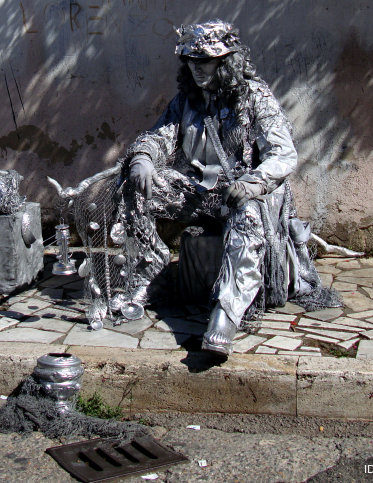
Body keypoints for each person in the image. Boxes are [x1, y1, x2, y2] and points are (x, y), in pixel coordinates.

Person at [118, 20, 339, 356]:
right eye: (191, 62)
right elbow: (160, 135)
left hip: (246, 192)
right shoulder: (186, 100)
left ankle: (226, 314)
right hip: (198, 191)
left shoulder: (256, 97)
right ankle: (152, 277)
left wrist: (254, 183)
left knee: (247, 216)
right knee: (134, 186)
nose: (197, 70)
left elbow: (282, 153)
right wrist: (144, 158)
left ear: (226, 61)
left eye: (204, 62)